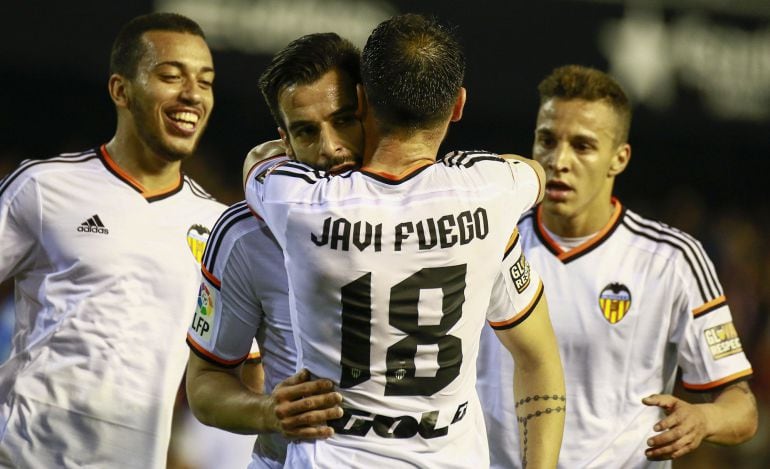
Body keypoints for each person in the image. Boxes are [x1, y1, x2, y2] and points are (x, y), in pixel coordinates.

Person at [244, 13, 565, 468]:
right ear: (457, 106)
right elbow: (533, 172)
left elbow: (257, 163)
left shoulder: (300, 204)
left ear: (362, 100)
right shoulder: (491, 201)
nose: (330, 146)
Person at [476, 64, 758, 468]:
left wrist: (703, 417)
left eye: (583, 146)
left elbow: (741, 407)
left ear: (619, 158)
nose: (559, 160)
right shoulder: (486, 241)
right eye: (547, 140)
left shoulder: (672, 261)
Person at [0, 12, 229, 468]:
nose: (192, 94)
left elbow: (241, 365)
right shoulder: (44, 188)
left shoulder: (220, 227)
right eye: (171, 75)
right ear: (121, 90)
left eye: (205, 81)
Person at [184, 32, 363, 468]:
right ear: (284, 140)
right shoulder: (245, 235)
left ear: (370, 111)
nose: (330, 147)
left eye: (343, 119)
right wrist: (268, 412)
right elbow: (205, 383)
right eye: (307, 130)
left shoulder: (442, 213)